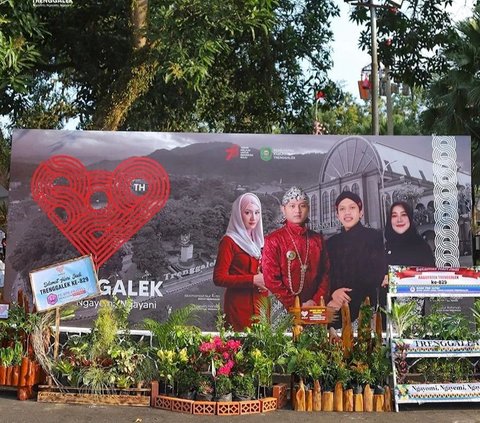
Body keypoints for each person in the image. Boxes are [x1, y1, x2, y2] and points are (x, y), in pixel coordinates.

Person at [262, 186, 329, 311]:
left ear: (308, 208)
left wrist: (315, 301)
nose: (297, 210)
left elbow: (326, 274)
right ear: (283, 209)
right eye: (292, 206)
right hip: (283, 307)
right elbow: (271, 280)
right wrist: (296, 305)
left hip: (314, 306)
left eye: (302, 206)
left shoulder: (317, 240)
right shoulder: (273, 240)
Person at [326, 191, 386, 323]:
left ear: (361, 212)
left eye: (352, 208)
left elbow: (376, 275)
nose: (347, 212)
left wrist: (347, 296)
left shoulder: (373, 237)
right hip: (337, 306)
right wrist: (333, 293)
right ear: (337, 215)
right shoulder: (331, 243)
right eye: (342, 209)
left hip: (365, 307)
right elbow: (326, 275)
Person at [213, 193, 267, 331]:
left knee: (262, 349)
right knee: (239, 349)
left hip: (261, 304)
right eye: (247, 212)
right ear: (238, 214)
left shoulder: (259, 242)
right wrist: (253, 280)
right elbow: (219, 278)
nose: (253, 218)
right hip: (239, 307)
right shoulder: (229, 241)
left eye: (257, 212)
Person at [385, 201, 435, 267]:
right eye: (394, 216)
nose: (399, 220)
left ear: (409, 218)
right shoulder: (384, 249)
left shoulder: (422, 247)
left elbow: (430, 274)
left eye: (403, 215)